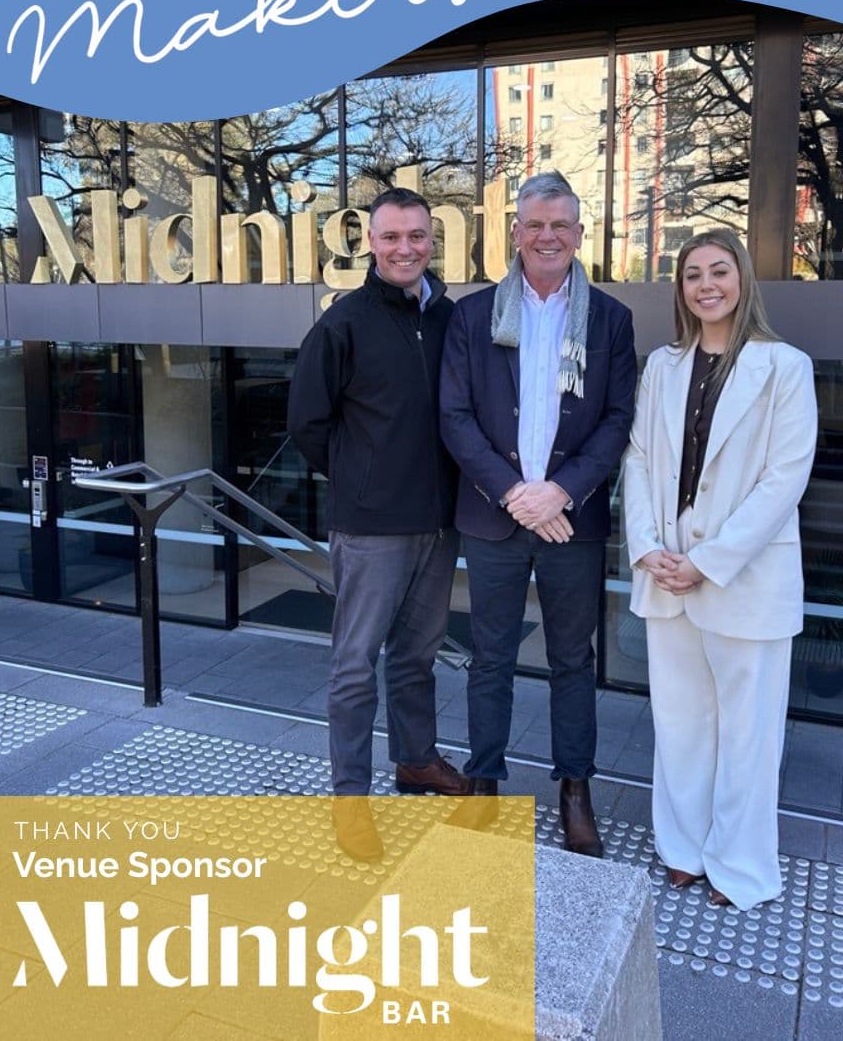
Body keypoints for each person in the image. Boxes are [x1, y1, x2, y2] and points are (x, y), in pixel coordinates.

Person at [440, 172, 636, 854]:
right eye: (535, 225)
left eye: (560, 225)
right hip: (494, 516)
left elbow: (617, 418)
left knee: (572, 661)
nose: (547, 236)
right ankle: (484, 781)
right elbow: (455, 416)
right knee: (489, 658)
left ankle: (574, 789)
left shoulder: (610, 318)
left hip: (569, 521)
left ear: (578, 234)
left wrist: (560, 492)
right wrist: (514, 493)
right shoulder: (473, 315)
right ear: (515, 232)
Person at [623, 229, 817, 910]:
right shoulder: (663, 365)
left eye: (719, 271)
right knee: (680, 723)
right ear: (680, 289)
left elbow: (785, 479)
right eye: (692, 275)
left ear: (742, 280)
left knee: (748, 734)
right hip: (665, 569)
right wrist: (646, 546)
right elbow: (638, 458)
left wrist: (707, 562)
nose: (706, 285)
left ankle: (739, 867)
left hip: (743, 576)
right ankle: (683, 849)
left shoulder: (784, 367)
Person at [287, 186, 467, 861]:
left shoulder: (450, 318)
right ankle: (350, 798)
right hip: (370, 527)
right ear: (369, 243)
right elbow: (306, 423)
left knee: (417, 657)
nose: (404, 248)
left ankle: (416, 759)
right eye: (391, 237)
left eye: (416, 236)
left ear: (432, 240)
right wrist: (363, 480)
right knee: (356, 665)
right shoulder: (343, 323)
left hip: (438, 523)